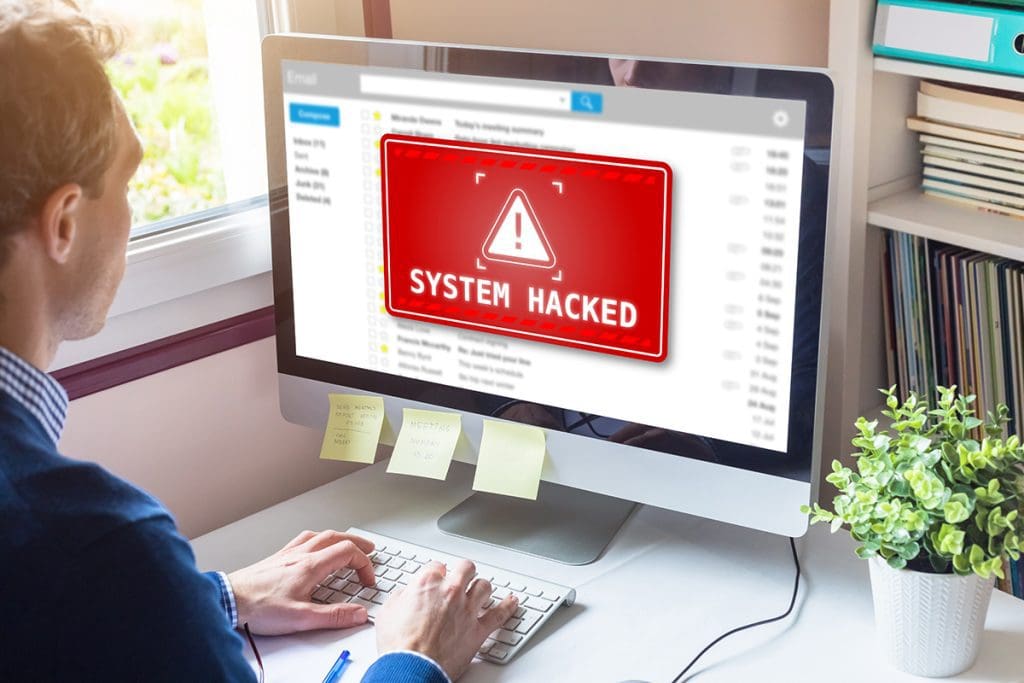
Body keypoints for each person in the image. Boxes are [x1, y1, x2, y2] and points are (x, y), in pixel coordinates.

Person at [0, 2, 517, 681]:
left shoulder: (93, 564)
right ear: (63, 221)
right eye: (127, 182)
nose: (133, 213)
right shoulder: (100, 549)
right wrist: (411, 657)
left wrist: (208, 599)